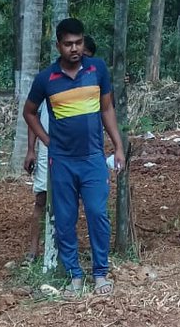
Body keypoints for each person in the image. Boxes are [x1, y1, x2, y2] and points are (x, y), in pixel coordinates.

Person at [23, 19, 124, 299]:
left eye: (78, 42)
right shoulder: (46, 79)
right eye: (68, 44)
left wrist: (117, 146)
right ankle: (74, 276)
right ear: (58, 46)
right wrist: (46, 141)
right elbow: (29, 112)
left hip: (93, 158)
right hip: (62, 161)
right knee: (65, 220)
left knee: (97, 214)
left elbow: (107, 110)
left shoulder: (98, 69)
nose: (74, 48)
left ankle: (100, 272)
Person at [24, 35, 97, 264]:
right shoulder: (51, 78)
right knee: (42, 198)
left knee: (76, 202)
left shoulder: (91, 79)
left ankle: (66, 254)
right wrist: (32, 149)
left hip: (80, 153)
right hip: (51, 149)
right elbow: (32, 113)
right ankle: (34, 251)